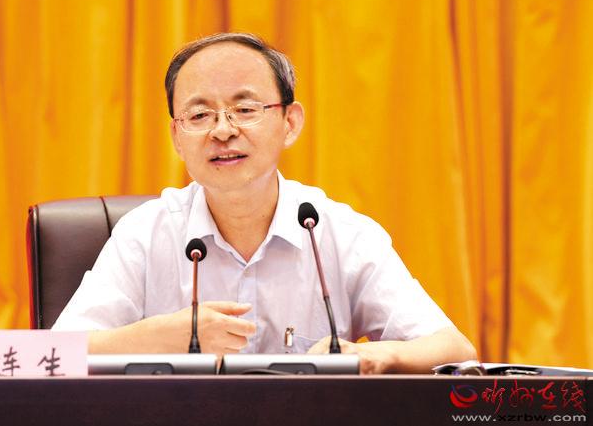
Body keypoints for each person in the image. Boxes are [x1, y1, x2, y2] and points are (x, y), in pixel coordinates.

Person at [53, 32, 477, 373]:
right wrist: (162, 337)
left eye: (245, 108)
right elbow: (51, 357)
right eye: (199, 115)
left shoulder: (339, 233)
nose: (223, 130)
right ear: (177, 137)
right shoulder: (144, 234)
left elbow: (455, 349)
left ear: (290, 123)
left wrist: (372, 356)